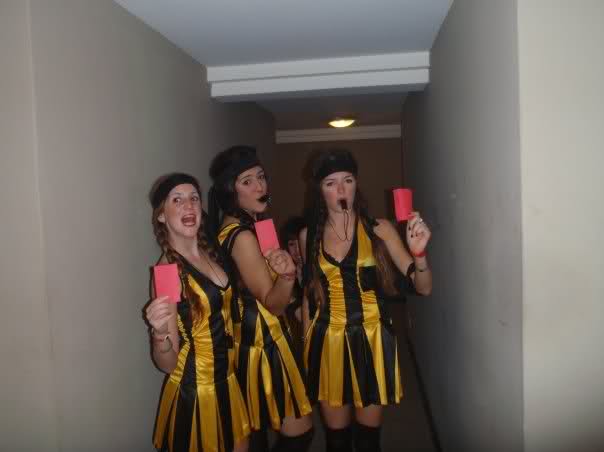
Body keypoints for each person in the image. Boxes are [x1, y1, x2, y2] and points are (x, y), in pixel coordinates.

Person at [300, 149, 433, 452]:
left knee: (368, 440)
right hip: (328, 341)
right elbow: (310, 295)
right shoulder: (309, 236)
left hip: (372, 339)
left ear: (356, 184)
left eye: (347, 180)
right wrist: (307, 348)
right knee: (336, 440)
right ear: (319, 191)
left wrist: (420, 254)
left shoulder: (379, 229)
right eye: (331, 183)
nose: (341, 189)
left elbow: (423, 287)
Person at [206, 146, 314, 452]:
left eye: (261, 177)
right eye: (247, 181)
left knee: (258, 429)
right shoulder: (241, 235)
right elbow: (272, 302)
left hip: (259, 335)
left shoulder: (255, 225)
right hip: (262, 341)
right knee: (298, 433)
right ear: (231, 191)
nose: (260, 186)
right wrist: (289, 277)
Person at [144, 173, 250, 452]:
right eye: (177, 200)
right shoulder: (167, 272)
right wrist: (159, 333)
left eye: (193, 198)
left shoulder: (210, 252)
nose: (189, 205)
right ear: (162, 216)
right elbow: (167, 364)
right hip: (197, 390)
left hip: (228, 379)